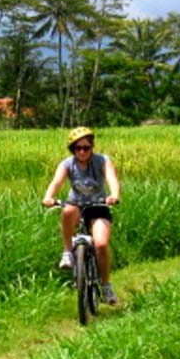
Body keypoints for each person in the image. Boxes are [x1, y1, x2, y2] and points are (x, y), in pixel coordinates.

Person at [42, 126, 122, 304]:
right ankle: (68, 252)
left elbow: (112, 178)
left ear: (92, 147)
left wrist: (114, 195)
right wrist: (49, 197)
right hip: (76, 204)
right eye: (78, 148)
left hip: (98, 206)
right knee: (68, 210)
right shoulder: (67, 164)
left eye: (86, 147)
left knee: (101, 245)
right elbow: (56, 181)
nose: (82, 151)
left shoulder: (102, 160)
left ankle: (106, 285)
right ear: (72, 149)